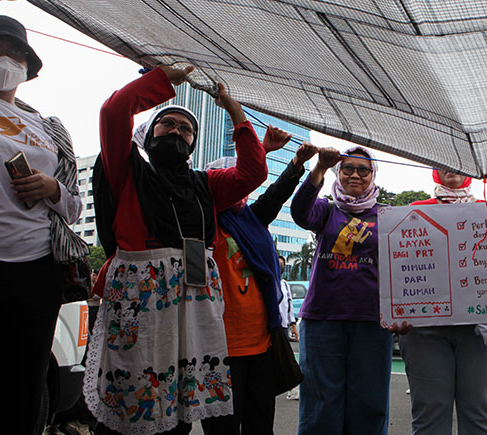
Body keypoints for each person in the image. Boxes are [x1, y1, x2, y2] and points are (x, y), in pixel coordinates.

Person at [84, 66, 268, 434]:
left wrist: (234, 111)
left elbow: (252, 174)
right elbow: (113, 112)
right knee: (131, 386)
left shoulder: (206, 184)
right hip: (141, 298)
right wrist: (163, 81)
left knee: (182, 399)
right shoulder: (127, 169)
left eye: (186, 130)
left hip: (194, 300)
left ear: (194, 144)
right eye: (167, 124)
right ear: (149, 134)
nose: (177, 132)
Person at [0, 0, 88, 433]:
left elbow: (72, 207)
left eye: (16, 53)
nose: (5, 59)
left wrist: (53, 189)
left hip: (34, 272)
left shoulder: (48, 127)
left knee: (17, 397)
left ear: (29, 67)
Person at [199, 138, 317, 435]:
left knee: (261, 424)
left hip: (261, 344)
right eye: (232, 183)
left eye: (244, 186)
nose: (241, 193)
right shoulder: (202, 221)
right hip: (218, 348)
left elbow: (275, 195)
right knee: (222, 428)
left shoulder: (250, 220)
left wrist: (297, 164)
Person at [386, 169, 487, 435]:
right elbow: (397, 270)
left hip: (480, 330)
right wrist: (393, 309)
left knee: (481, 417)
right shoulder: (413, 213)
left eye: (458, 163)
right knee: (429, 418)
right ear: (433, 169)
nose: (451, 168)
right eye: (442, 162)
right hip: (424, 330)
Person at [291, 145, 393, 435]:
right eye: (347, 168)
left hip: (372, 321)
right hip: (323, 319)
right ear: (338, 173)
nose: (355, 175)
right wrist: (319, 168)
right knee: (320, 402)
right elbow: (300, 213)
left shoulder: (388, 218)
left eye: (364, 170)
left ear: (373, 175)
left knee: (370, 403)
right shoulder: (326, 210)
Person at [278, 255, 299, 341]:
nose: (280, 266)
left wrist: (293, 326)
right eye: (278, 264)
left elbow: (290, 307)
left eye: (282, 264)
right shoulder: (268, 282)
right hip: (271, 326)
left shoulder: (285, 285)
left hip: (284, 326)